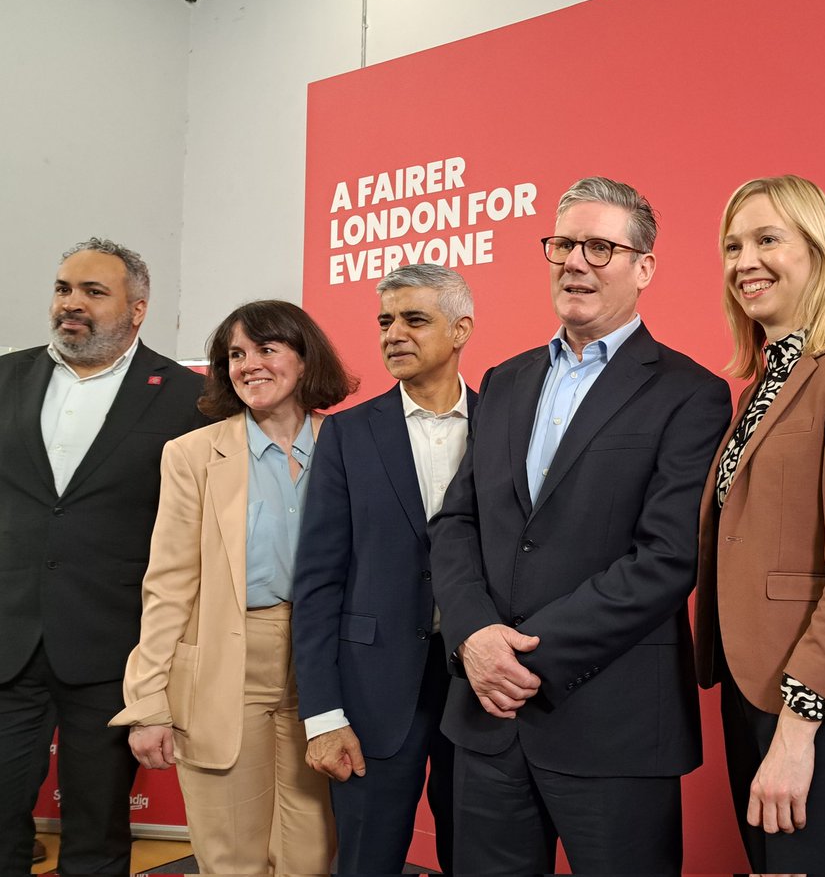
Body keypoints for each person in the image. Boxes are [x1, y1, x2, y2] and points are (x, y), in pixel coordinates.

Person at [429, 176, 731, 874]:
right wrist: (474, 637)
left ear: (644, 267)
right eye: (564, 243)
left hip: (614, 728)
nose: (575, 262)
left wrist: (521, 658)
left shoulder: (690, 394)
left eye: (600, 247)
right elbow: (456, 521)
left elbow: (665, 557)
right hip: (487, 722)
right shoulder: (504, 379)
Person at [693, 175, 825, 873]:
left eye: (766, 239)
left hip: (815, 706)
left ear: (817, 252)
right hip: (748, 687)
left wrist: (796, 728)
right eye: (732, 245)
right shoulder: (761, 386)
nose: (743, 261)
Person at [110, 300, 356, 874]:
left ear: (303, 357)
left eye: (266, 349)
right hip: (226, 668)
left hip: (324, 669)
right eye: (235, 355)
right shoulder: (192, 455)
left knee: (312, 858)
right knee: (231, 859)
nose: (248, 365)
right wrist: (147, 701)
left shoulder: (350, 443)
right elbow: (167, 585)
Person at [0, 238, 209, 875]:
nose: (73, 304)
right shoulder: (5, 376)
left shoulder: (186, 397)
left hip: (115, 649)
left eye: (94, 292)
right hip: (8, 642)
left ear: (138, 309)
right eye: (65, 289)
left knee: (95, 834)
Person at [292, 264, 475, 873]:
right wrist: (322, 715)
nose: (394, 333)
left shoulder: (507, 423)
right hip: (371, 694)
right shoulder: (347, 434)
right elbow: (318, 581)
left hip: (481, 689)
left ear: (461, 330)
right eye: (385, 321)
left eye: (414, 319)